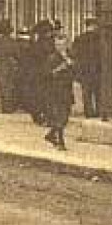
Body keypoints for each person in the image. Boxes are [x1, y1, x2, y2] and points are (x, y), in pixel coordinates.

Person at [36, 21, 74, 150]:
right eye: (57, 44)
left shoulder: (70, 57)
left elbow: (76, 72)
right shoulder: (52, 58)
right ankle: (60, 142)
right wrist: (60, 68)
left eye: (62, 44)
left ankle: (52, 134)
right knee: (59, 116)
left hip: (67, 90)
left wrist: (70, 64)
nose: (60, 47)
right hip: (55, 91)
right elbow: (45, 73)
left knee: (65, 117)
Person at [70, 15, 103, 119]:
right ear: (94, 25)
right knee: (98, 91)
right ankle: (99, 110)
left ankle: (89, 112)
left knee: (87, 92)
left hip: (84, 69)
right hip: (97, 68)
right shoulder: (99, 38)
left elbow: (74, 53)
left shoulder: (80, 38)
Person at [0, 18, 18, 113]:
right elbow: (17, 54)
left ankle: (5, 106)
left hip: (0, 66)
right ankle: (8, 107)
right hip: (10, 66)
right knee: (9, 86)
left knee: (2, 86)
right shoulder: (12, 41)